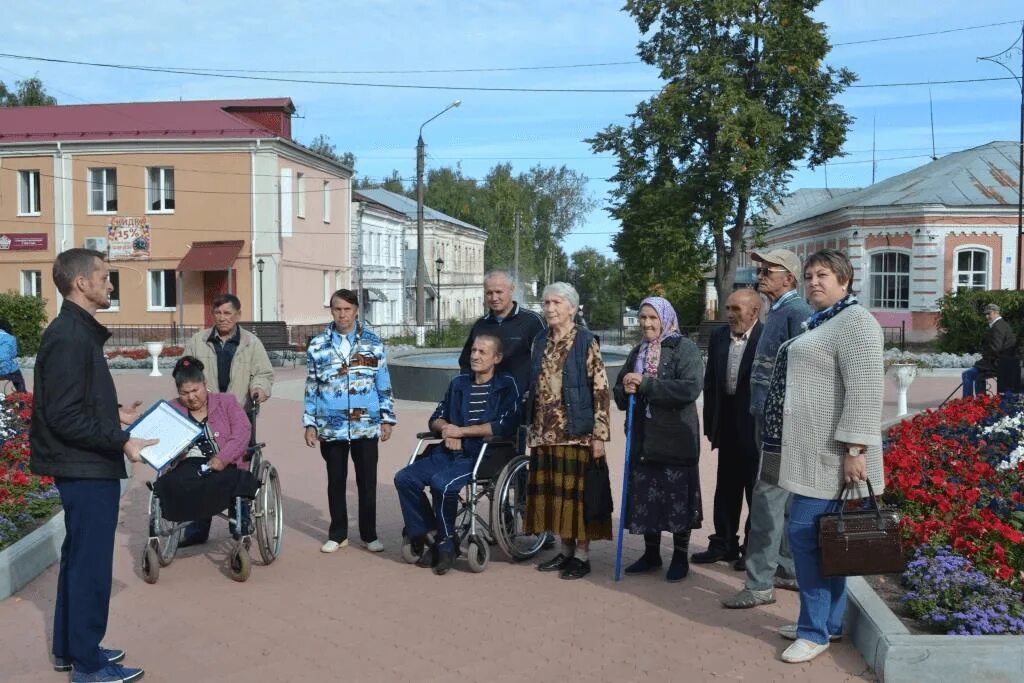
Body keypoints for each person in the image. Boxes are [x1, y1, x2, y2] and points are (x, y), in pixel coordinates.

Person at [29, 248, 154, 683]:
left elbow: (73, 401)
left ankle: (72, 648)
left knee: (80, 560)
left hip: (85, 464)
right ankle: (87, 664)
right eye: (105, 276)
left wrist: (112, 412)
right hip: (85, 467)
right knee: (90, 566)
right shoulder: (69, 335)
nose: (110, 284)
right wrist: (120, 439)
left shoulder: (75, 331)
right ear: (81, 283)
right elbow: (62, 415)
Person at [767, 249, 884, 663]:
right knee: (827, 541)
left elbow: (866, 391)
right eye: (810, 275)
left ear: (846, 281)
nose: (814, 282)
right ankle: (830, 624)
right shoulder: (825, 320)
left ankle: (813, 631)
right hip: (812, 452)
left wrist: (855, 449)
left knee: (805, 538)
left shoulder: (857, 324)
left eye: (824, 275)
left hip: (834, 458)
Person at [722, 248, 811, 609]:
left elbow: (804, 371)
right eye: (761, 267)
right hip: (771, 423)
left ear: (788, 278)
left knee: (767, 500)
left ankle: (759, 583)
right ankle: (786, 570)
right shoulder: (781, 312)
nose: (761, 273)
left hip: (779, 431)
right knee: (782, 499)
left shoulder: (797, 314)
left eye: (768, 269)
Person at [395, 335, 519, 575]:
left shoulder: (506, 386)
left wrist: (460, 431)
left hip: (484, 454)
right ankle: (434, 535)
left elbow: (503, 425)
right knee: (404, 478)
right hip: (449, 450)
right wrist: (446, 430)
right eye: (473, 350)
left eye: (483, 352)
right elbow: (436, 417)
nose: (475, 355)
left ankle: (445, 544)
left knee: (442, 484)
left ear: (497, 358)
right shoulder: (459, 384)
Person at [613, 297, 703, 582]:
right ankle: (651, 554)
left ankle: (679, 557)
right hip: (643, 438)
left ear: (665, 319)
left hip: (675, 438)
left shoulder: (684, 349)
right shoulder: (637, 351)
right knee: (646, 498)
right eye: (643, 318)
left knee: (676, 498)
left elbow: (690, 389)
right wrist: (624, 387)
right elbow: (619, 391)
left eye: (653, 318)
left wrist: (646, 384)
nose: (647, 324)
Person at [526, 282, 611, 580]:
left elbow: (600, 389)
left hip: (576, 431)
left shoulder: (586, 341)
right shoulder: (540, 340)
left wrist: (599, 435)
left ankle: (582, 555)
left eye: (556, 303)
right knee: (555, 496)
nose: (549, 308)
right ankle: (564, 551)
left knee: (578, 497)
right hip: (542, 432)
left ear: (572, 308)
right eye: (546, 303)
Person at [304, 289, 396, 553]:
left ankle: (369, 534)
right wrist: (310, 423)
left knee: (367, 481)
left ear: (356, 311)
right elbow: (312, 386)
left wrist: (387, 418)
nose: (342, 314)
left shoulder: (373, 343)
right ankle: (338, 533)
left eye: (347, 309)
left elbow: (383, 383)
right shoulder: (319, 345)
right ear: (331, 311)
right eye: (337, 309)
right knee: (336, 480)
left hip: (365, 424)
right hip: (331, 425)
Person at [692, 289, 763, 569]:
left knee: (755, 492)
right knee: (726, 487)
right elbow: (710, 384)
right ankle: (723, 543)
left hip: (754, 425)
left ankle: (752, 549)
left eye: (737, 309)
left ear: (754, 312)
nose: (730, 315)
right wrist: (711, 423)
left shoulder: (765, 338)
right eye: (728, 308)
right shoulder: (720, 336)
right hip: (728, 422)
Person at [153, 357, 259, 541]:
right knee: (170, 483)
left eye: (195, 390)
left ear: (205, 384)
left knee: (237, 479)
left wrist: (222, 458)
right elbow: (160, 439)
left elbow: (242, 432)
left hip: (227, 462)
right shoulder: (172, 409)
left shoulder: (227, 402)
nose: (191, 397)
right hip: (190, 464)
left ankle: (240, 526)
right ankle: (192, 530)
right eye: (184, 393)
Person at [458, 270, 545, 398]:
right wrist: (469, 389)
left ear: (511, 290)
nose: (494, 298)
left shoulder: (532, 321)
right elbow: (466, 362)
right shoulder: (480, 325)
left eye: (499, 292)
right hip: (486, 400)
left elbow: (546, 361)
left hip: (520, 402)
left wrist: (533, 392)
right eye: (489, 293)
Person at [183, 293, 274, 408]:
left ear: (238, 315)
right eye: (218, 313)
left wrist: (259, 388)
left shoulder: (251, 342)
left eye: (227, 313)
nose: (222, 318)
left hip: (240, 411)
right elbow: (184, 372)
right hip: (204, 410)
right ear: (212, 314)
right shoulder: (197, 341)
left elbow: (264, 373)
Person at [961, 303, 1016, 397]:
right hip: (1004, 362)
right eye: (985, 314)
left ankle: (967, 403)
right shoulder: (1002, 325)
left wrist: (983, 361)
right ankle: (981, 401)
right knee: (978, 376)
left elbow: (995, 349)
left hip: (998, 364)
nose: (987, 317)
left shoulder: (998, 327)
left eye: (989, 313)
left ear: (995, 313)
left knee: (967, 374)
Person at [0, 318, 26, 392]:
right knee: (18, 377)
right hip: (6, 370)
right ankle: (22, 397)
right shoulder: (11, 338)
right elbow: (13, 354)